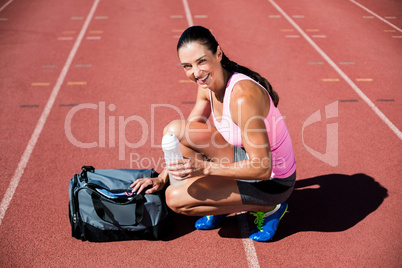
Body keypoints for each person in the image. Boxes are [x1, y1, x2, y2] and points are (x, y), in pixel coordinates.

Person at [131, 26, 296, 242]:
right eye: (187, 66)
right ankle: (222, 203)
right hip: (244, 157)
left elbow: (263, 168)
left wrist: (206, 168)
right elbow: (186, 136)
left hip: (272, 180)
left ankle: (270, 207)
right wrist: (162, 178)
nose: (196, 73)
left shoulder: (242, 98)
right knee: (174, 132)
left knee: (175, 199)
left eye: (201, 61)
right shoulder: (206, 84)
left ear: (218, 53)